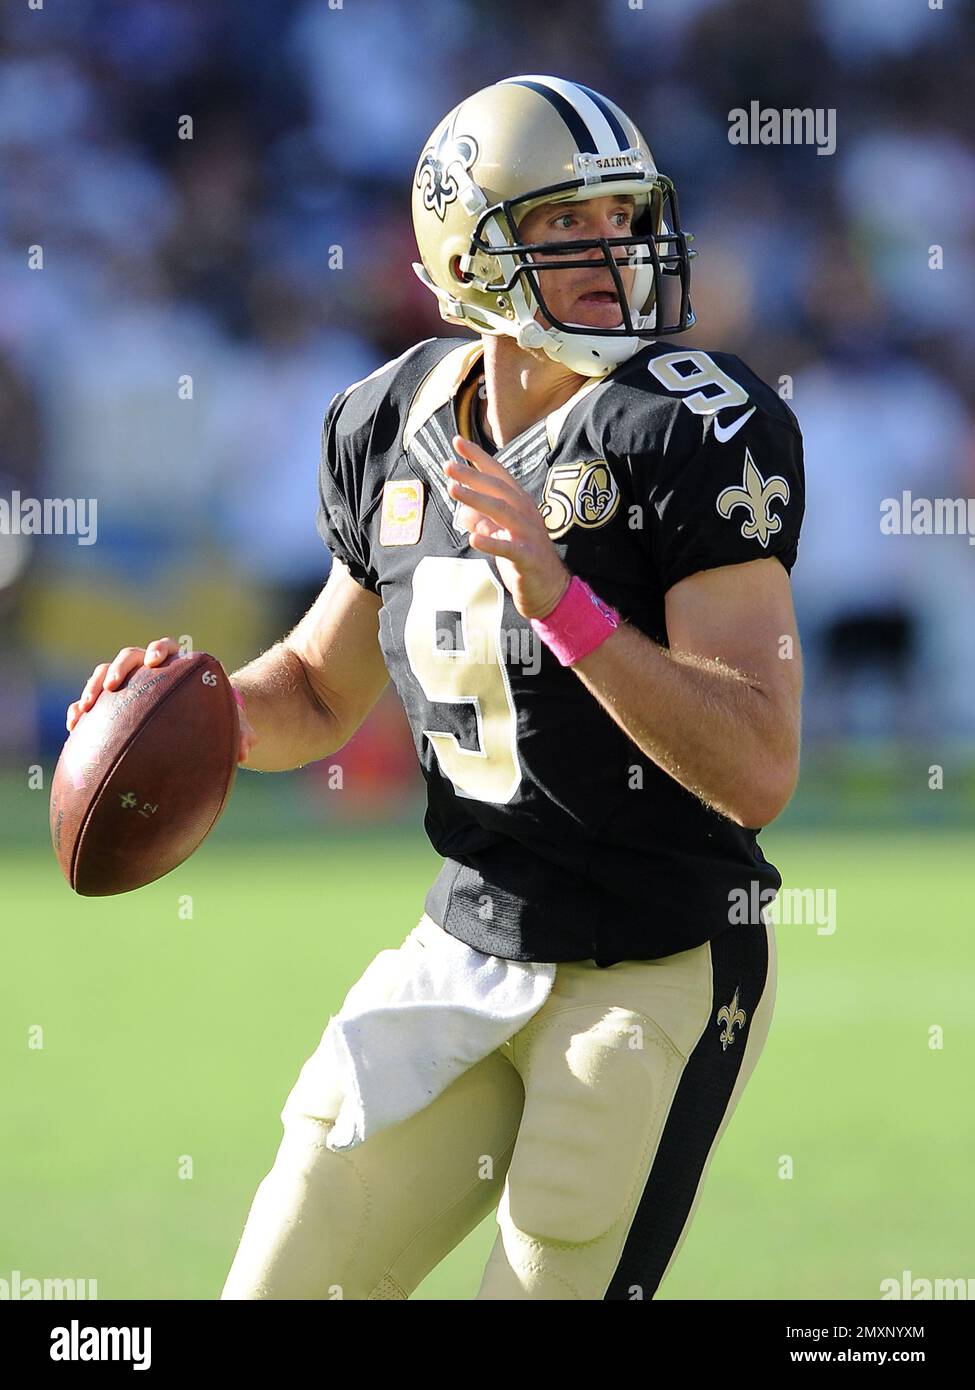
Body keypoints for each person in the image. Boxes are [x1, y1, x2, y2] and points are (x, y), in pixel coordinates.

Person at [66, 75, 805, 1300]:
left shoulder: (693, 429)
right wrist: (187, 710)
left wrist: (567, 605)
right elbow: (312, 685)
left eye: (622, 218)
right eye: (565, 226)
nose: (611, 252)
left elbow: (758, 765)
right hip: (466, 937)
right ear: (467, 253)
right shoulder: (389, 417)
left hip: (656, 956)